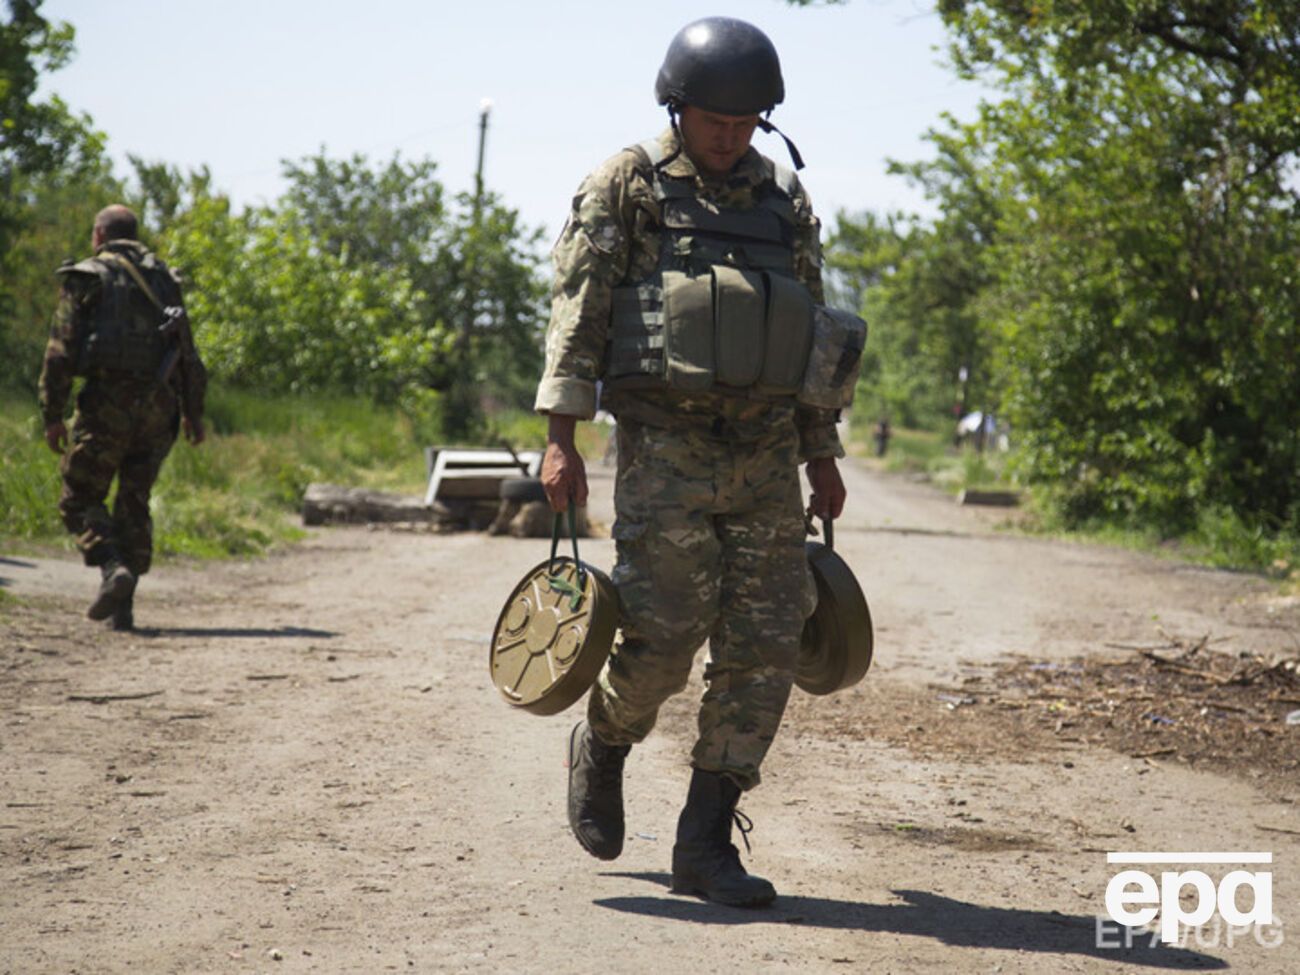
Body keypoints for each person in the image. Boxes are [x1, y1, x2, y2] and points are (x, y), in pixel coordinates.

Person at [535, 17, 859, 907]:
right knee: (663, 638)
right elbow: (579, 312)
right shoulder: (628, 186)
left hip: (763, 453)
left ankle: (705, 840)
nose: (731, 133)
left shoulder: (782, 199)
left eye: (748, 119)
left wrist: (821, 453)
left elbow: (812, 333)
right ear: (678, 107)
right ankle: (604, 739)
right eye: (716, 117)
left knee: (764, 645)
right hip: (665, 448)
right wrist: (559, 439)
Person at [38, 204, 207, 631]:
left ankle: (113, 568)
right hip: (158, 408)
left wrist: (52, 414)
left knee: (78, 495)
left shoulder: (88, 277)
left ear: (99, 235)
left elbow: (60, 352)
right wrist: (193, 413)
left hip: (106, 407)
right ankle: (124, 608)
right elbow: (188, 353)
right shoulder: (165, 279)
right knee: (134, 500)